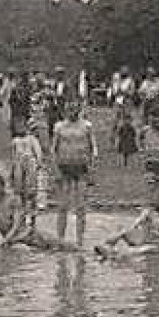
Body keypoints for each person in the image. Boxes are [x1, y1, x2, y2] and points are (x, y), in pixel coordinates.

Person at [0, 172, 73, 250]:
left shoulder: (14, 199)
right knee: (27, 252)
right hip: (14, 241)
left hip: (29, 235)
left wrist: (5, 239)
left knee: (68, 247)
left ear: (3, 186)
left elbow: (16, 224)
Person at [95, 181, 159, 258]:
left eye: (157, 198)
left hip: (158, 245)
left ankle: (114, 254)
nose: (153, 200)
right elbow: (135, 225)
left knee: (141, 250)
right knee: (121, 230)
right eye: (152, 197)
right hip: (144, 240)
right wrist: (130, 229)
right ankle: (107, 246)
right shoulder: (147, 212)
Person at [51, 100, 97, 246]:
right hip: (64, 167)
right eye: (69, 110)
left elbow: (93, 147)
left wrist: (92, 168)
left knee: (81, 206)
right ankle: (60, 238)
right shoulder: (59, 127)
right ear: (65, 111)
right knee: (63, 205)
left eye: (74, 110)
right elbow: (53, 149)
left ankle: (80, 240)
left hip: (81, 167)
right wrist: (55, 170)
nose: (72, 113)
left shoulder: (86, 126)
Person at [9, 126, 46, 218]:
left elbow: (38, 151)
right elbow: (13, 155)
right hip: (18, 162)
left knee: (31, 185)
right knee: (19, 186)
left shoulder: (32, 139)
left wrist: (39, 162)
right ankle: (22, 206)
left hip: (30, 161)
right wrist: (12, 168)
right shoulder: (15, 140)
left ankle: (33, 206)